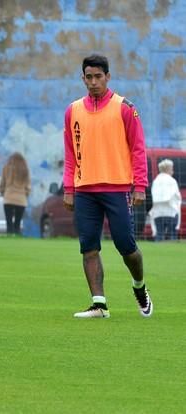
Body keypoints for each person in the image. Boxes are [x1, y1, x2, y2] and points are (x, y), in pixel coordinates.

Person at [63, 54, 152, 319]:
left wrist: (140, 185)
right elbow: (70, 153)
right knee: (88, 246)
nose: (93, 82)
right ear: (83, 78)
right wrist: (69, 188)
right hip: (85, 190)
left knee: (126, 246)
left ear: (108, 77)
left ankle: (139, 286)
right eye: (88, 77)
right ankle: (99, 304)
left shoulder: (125, 108)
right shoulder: (73, 110)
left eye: (98, 77)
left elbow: (138, 148)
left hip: (116, 188)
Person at [0, 152, 31, 235]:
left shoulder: (6, 168)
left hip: (8, 198)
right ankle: (17, 238)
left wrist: (3, 193)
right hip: (21, 199)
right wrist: (25, 194)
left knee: (9, 223)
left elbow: (2, 184)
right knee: (17, 223)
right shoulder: (25, 170)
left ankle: (9, 239)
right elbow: (28, 186)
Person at [149, 159, 181, 241]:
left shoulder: (156, 181)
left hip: (158, 212)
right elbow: (177, 196)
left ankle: (157, 251)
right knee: (172, 234)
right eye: (172, 168)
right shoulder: (172, 181)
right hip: (171, 211)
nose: (173, 170)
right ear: (168, 169)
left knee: (159, 234)